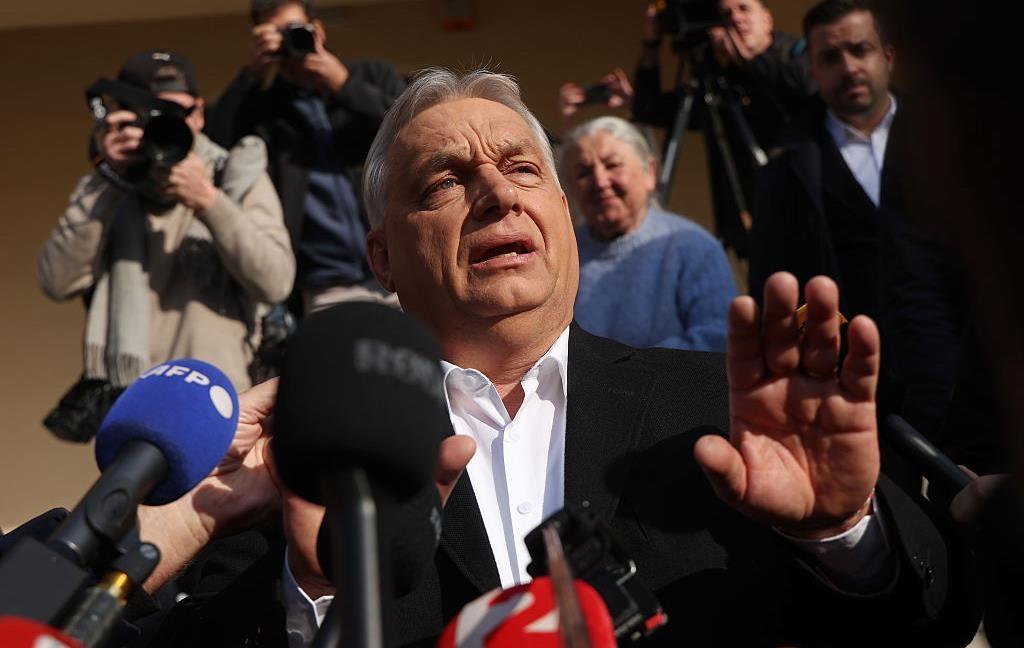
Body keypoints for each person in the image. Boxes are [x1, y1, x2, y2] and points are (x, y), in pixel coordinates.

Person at [133, 69, 977, 647]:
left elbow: (930, 621)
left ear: (564, 218)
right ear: (381, 258)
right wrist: (317, 592)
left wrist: (841, 533)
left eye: (523, 170)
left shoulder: (719, 408)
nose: (498, 195)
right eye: (445, 182)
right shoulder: (307, 463)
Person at [38, 50, 294, 397]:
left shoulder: (235, 174)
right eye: (151, 115)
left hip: (217, 396)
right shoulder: (106, 187)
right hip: (130, 397)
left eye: (176, 113)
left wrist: (209, 201)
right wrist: (108, 180)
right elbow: (57, 282)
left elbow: (276, 282)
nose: (165, 125)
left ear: (199, 114)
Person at [206, 0, 406, 315]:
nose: (287, 41)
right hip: (325, 283)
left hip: (401, 263)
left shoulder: (372, 75)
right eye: (275, 33)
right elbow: (217, 145)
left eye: (294, 30)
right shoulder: (263, 108)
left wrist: (344, 85)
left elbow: (413, 132)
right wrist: (251, 75)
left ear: (318, 31)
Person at [559, 116, 735, 351]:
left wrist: (627, 369)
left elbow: (718, 339)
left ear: (650, 173)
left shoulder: (693, 246)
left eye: (612, 165)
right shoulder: (564, 253)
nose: (600, 181)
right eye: (584, 173)